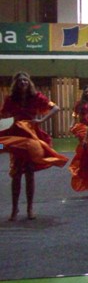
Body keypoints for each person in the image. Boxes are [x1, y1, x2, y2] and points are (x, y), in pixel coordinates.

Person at [0, 71, 68, 220]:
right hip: (17, 136)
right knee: (16, 173)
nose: (23, 83)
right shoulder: (11, 99)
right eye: (20, 81)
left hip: (31, 136)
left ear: (29, 82)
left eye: (25, 80)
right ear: (16, 84)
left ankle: (30, 208)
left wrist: (41, 120)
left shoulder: (36, 97)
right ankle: (15, 209)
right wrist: (12, 119)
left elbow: (55, 108)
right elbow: (2, 115)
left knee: (30, 172)